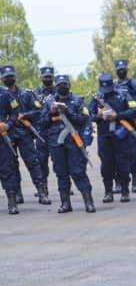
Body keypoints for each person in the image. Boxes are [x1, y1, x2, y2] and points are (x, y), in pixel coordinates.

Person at [42, 75, 95, 213]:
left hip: (73, 140)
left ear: (69, 86)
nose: (62, 87)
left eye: (64, 84)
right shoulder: (49, 101)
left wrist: (68, 112)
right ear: (56, 86)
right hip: (55, 142)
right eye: (59, 85)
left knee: (78, 171)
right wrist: (50, 113)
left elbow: (83, 119)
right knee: (61, 172)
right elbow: (42, 123)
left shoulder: (77, 101)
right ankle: (65, 203)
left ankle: (88, 202)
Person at [1, 65, 50, 206]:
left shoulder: (26, 93)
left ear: (15, 77)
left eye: (11, 76)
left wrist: (25, 115)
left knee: (32, 163)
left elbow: (38, 111)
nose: (9, 79)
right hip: (8, 133)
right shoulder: (2, 95)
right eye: (6, 77)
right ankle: (17, 194)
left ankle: (42, 193)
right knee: (11, 165)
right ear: (2, 79)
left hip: (24, 133)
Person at [88, 73, 136, 203]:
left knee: (122, 163)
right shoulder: (97, 98)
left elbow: (134, 111)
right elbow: (89, 115)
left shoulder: (123, 95)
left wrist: (118, 116)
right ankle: (108, 192)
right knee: (106, 165)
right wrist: (99, 116)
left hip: (120, 135)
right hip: (104, 136)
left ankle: (125, 191)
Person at [114, 59, 136, 192]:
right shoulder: (112, 85)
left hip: (131, 123)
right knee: (117, 156)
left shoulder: (134, 85)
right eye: (119, 69)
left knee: (133, 154)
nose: (121, 71)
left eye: (123, 69)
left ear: (127, 69)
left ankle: (135, 182)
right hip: (116, 124)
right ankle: (118, 182)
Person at [33, 66, 57, 198]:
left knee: (60, 160)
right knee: (41, 161)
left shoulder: (58, 90)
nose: (47, 79)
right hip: (41, 131)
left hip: (56, 130)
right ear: (41, 78)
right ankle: (44, 187)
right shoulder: (36, 93)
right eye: (45, 77)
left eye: (49, 77)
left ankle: (65, 186)